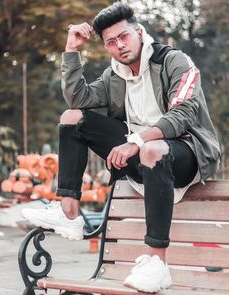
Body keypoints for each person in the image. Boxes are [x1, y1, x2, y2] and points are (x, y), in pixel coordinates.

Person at [22, 1, 221, 292]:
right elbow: (78, 99)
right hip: (140, 156)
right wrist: (71, 50)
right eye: (111, 42)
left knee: (152, 150)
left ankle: (157, 264)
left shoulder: (175, 62)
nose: (119, 46)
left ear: (139, 32)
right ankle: (69, 213)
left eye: (124, 36)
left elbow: (182, 115)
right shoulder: (115, 75)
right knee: (72, 118)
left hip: (186, 153)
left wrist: (136, 142)